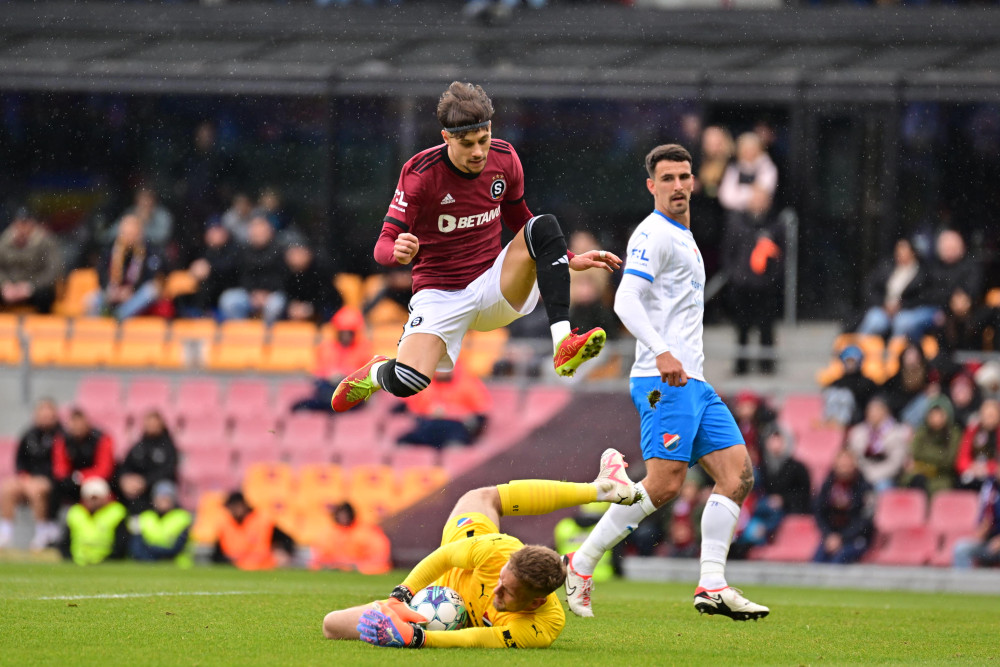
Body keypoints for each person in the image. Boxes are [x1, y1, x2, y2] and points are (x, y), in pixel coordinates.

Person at [562, 144, 769, 621]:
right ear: (652, 186)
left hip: (693, 379)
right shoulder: (652, 234)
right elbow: (625, 301)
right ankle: (582, 562)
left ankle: (713, 584)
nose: (678, 185)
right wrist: (662, 350)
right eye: (668, 178)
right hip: (663, 377)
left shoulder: (684, 236)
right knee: (664, 484)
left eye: (685, 176)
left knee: (738, 475)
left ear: (694, 181)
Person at [331, 81, 619, 413]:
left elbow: (518, 217)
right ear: (446, 138)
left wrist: (568, 258)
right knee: (410, 380)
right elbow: (382, 245)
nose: (479, 152)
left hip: (492, 283)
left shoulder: (505, 157)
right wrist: (397, 251)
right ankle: (377, 371)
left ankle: (563, 343)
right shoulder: (420, 173)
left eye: (483, 139)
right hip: (439, 294)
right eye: (467, 144)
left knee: (543, 223)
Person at [321, 447, 638, 649]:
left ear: (536, 601)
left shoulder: (544, 625)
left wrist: (419, 638)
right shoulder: (498, 551)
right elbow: (444, 556)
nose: (497, 591)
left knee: (336, 626)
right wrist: (400, 596)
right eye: (502, 580)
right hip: (446, 570)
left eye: (508, 592)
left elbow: (483, 638)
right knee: (484, 497)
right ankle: (600, 489)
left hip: (428, 615)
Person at [718, 132, 782, 375]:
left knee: (766, 324)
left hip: (765, 283)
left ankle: (767, 364)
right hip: (742, 282)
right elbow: (727, 197)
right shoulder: (737, 224)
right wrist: (735, 275)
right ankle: (741, 364)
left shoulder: (774, 224)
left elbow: (779, 256)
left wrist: (771, 278)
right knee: (742, 326)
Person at [733, 424, 811, 556]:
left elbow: (805, 494)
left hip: (787, 509)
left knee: (769, 513)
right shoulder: (763, 467)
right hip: (764, 506)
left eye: (778, 440)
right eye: (772, 440)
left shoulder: (798, 468)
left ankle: (755, 539)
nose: (775, 444)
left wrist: (783, 500)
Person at [0, 398, 62, 550]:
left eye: (48, 415)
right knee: (7, 488)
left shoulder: (61, 435)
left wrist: (41, 478)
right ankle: (6, 532)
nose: (45, 418)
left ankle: (42, 531)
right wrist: (24, 475)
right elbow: (20, 460)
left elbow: (60, 463)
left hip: (51, 480)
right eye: (42, 414)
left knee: (35, 489)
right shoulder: (29, 434)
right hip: (29, 478)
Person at [292, 306, 373, 413]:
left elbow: (368, 375)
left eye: (349, 332)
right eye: (342, 331)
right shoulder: (326, 346)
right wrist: (329, 374)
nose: (345, 335)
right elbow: (317, 371)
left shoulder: (364, 347)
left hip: (352, 392)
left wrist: (344, 374)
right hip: (328, 388)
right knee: (303, 404)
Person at [397, 362, 492, 449]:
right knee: (404, 442)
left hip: (455, 427)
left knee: (455, 445)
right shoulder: (427, 383)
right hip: (429, 425)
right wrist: (430, 411)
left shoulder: (467, 383)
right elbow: (412, 406)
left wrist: (451, 412)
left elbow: (480, 414)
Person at [89, 214, 166, 320]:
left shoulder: (149, 251)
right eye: (126, 233)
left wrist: (132, 290)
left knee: (151, 290)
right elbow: (101, 274)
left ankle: (117, 317)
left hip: (134, 296)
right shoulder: (110, 250)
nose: (129, 237)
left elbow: (152, 277)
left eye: (132, 233)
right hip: (113, 293)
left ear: (139, 233)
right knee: (91, 300)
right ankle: (97, 332)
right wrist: (111, 290)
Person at [855, 238, 933, 340]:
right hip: (883, 308)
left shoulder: (922, 272)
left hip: (908, 311)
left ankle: (893, 353)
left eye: (904, 250)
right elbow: (869, 288)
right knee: (874, 320)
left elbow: (924, 296)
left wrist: (902, 305)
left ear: (913, 252)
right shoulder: (886, 267)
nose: (899, 253)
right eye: (898, 250)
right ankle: (856, 349)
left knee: (902, 323)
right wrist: (883, 304)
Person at [218, 216, 287, 323]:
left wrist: (266, 294)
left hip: (273, 295)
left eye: (262, 229)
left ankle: (267, 336)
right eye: (255, 229)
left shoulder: (280, 250)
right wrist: (252, 293)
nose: (258, 232)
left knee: (275, 305)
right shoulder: (243, 251)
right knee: (229, 299)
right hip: (249, 295)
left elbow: (283, 278)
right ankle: (244, 334)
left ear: (270, 231)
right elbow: (241, 276)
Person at [813, 449, 875, 565]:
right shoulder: (828, 485)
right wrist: (829, 535)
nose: (844, 468)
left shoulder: (865, 487)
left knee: (838, 561)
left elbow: (865, 520)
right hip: (831, 537)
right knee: (817, 561)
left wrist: (842, 537)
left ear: (854, 465)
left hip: (856, 538)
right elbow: (819, 512)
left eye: (847, 465)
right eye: (841, 465)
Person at [51, 409, 115, 515]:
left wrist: (80, 477)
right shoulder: (63, 439)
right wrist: (68, 478)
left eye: (80, 423)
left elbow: (104, 469)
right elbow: (59, 466)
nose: (77, 427)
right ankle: (51, 522)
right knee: (54, 487)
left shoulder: (100, 438)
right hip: (72, 480)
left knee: (94, 489)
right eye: (74, 423)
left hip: (95, 478)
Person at [114, 410, 179, 514]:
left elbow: (168, 471)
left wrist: (145, 481)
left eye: (154, 423)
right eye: (149, 423)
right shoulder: (139, 446)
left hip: (157, 483)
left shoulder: (168, 447)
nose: (151, 426)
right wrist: (125, 479)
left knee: (163, 489)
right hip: (138, 485)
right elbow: (126, 465)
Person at [0, 207, 63, 314]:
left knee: (45, 294)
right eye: (20, 223)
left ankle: (44, 326)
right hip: (9, 289)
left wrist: (31, 286)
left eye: (26, 223)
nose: (23, 227)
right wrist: (5, 285)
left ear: (32, 224)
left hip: (35, 290)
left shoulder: (45, 242)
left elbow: (53, 270)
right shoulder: (4, 242)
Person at [212, 491, 295, 570]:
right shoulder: (226, 525)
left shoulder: (262, 521)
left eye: (232, 508)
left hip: (264, 568)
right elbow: (217, 555)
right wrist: (228, 561)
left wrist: (282, 551)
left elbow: (286, 540)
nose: (230, 511)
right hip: (236, 569)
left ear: (241, 505)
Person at [845, 396, 911, 494]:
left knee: (882, 486)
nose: (872, 413)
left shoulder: (898, 432)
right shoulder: (858, 432)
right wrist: (865, 473)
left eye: (876, 410)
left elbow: (895, 463)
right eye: (870, 410)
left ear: (885, 412)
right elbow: (854, 456)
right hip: (862, 474)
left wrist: (874, 475)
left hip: (886, 476)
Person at [175, 221, 240, 318]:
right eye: (212, 231)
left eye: (218, 231)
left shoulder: (234, 250)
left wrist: (210, 268)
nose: (215, 234)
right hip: (201, 299)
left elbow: (230, 269)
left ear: (225, 233)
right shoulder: (200, 250)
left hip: (226, 295)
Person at [900, 395, 961, 496]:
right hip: (919, 474)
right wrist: (934, 458)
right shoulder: (922, 431)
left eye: (940, 414)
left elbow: (948, 461)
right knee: (911, 482)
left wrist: (924, 462)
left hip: (941, 477)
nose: (935, 418)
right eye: (932, 415)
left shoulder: (954, 433)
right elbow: (915, 452)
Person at [59, 477, 128, 566]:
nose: (93, 502)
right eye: (91, 498)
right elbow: (65, 541)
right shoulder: (75, 512)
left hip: (107, 561)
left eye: (96, 498)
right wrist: (69, 558)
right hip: (78, 562)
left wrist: (111, 559)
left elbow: (121, 543)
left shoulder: (116, 512)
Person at [309, 502, 391, 574]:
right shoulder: (329, 533)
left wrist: (353, 564)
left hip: (361, 567)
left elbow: (379, 556)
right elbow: (319, 555)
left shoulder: (366, 532)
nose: (343, 518)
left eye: (345, 515)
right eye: (341, 515)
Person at [129, 480, 193, 567]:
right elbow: (136, 548)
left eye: (167, 497)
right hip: (148, 564)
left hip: (176, 565)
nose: (163, 501)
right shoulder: (144, 517)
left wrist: (150, 550)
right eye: (160, 497)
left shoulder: (183, 517)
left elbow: (176, 549)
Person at [282, 242, 341, 323]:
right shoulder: (287, 273)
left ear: (308, 254)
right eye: (292, 254)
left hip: (322, 314)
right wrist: (292, 306)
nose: (295, 258)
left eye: (298, 254)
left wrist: (310, 308)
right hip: (296, 314)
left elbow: (330, 298)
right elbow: (286, 294)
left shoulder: (320, 271)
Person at [952, 470, 1000, 569]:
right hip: (990, 543)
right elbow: (986, 518)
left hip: (997, 543)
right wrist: (981, 531)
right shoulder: (991, 486)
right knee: (961, 549)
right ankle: (963, 583)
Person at [822, 345, 879, 427]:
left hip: (859, 422)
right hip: (838, 422)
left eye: (853, 361)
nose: (850, 364)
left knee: (846, 396)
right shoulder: (836, 383)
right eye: (848, 361)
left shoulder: (868, 383)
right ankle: (831, 421)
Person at [956, 399, 1000, 491]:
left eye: (992, 415)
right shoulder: (972, 431)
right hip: (972, 473)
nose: (988, 418)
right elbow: (962, 457)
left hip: (993, 476)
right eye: (986, 415)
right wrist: (970, 467)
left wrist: (988, 468)